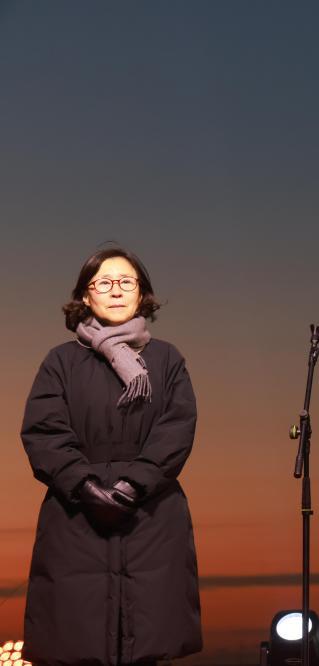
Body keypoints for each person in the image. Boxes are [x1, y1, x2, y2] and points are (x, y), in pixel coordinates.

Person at [20, 247, 202, 665]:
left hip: (151, 513)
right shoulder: (61, 361)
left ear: (142, 294)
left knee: (146, 645)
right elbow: (43, 431)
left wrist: (134, 484)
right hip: (76, 514)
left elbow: (177, 429)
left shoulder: (167, 360)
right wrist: (84, 486)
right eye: (104, 283)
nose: (116, 291)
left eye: (127, 282)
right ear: (86, 296)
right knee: (75, 642)